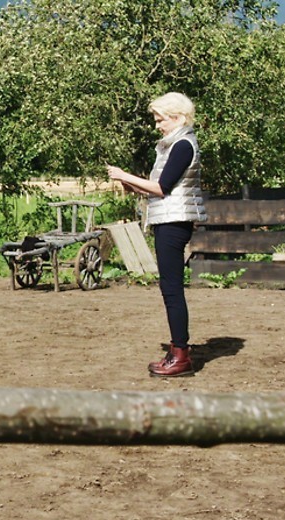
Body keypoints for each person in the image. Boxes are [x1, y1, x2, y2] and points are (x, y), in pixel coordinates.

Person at [107, 92, 207, 377]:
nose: (157, 125)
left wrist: (125, 175)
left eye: (160, 119)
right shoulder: (172, 146)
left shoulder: (183, 146)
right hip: (168, 219)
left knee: (172, 289)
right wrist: (132, 186)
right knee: (169, 287)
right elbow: (160, 188)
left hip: (174, 223)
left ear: (178, 117)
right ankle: (177, 351)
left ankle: (181, 356)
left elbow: (161, 188)